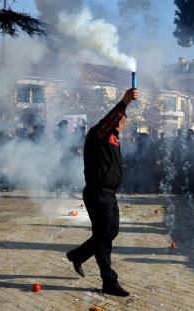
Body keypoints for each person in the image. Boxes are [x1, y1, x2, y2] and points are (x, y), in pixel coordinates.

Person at [66, 87, 138, 297]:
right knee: (104, 237)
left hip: (109, 194)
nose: (124, 124)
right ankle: (108, 280)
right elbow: (108, 120)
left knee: (110, 232)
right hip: (98, 193)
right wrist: (124, 102)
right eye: (122, 121)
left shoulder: (114, 139)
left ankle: (78, 255)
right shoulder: (99, 133)